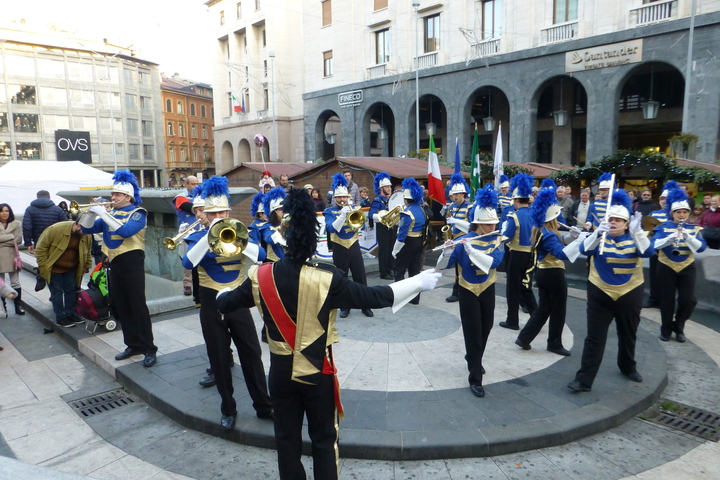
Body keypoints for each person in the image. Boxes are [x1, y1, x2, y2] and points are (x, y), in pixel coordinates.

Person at [216, 187, 441, 480]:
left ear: (283, 237)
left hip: (281, 374)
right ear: (313, 237)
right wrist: (417, 282)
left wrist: (221, 293)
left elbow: (227, 303)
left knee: (286, 441)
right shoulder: (328, 278)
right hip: (317, 372)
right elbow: (376, 296)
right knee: (323, 441)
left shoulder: (259, 277)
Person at [183, 176, 273, 430]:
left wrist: (237, 241)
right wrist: (209, 234)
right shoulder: (197, 237)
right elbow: (188, 263)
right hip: (211, 302)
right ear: (205, 215)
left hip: (238, 299)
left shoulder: (240, 232)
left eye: (223, 211)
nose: (220, 216)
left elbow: (263, 256)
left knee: (252, 353)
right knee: (219, 357)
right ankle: (228, 408)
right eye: (213, 213)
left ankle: (264, 406)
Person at [568, 190, 654, 393]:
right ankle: (584, 380)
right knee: (594, 338)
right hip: (600, 294)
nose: (614, 223)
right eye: (611, 219)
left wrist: (638, 232)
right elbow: (583, 251)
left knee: (628, 333)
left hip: (630, 293)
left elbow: (648, 252)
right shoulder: (599, 238)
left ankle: (627, 367)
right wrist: (597, 233)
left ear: (626, 223)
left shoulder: (635, 238)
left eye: (619, 220)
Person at [79, 170, 158, 368]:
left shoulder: (138, 213)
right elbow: (85, 229)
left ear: (128, 197)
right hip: (114, 262)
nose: (112, 197)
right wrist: (90, 212)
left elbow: (125, 231)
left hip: (132, 261)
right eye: (113, 194)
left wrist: (103, 213)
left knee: (138, 305)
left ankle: (149, 348)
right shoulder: (110, 214)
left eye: (117, 195)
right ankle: (132, 344)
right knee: (121, 305)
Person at [437, 185, 504, 397]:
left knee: (486, 328)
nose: (494, 225)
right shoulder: (461, 241)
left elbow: (494, 264)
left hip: (487, 289)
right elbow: (442, 267)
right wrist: (448, 251)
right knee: (473, 333)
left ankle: (473, 358)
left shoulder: (497, 240)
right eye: (489, 223)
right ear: (480, 224)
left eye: (494, 222)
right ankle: (475, 377)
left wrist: (472, 250)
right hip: (467, 290)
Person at [515, 188, 586, 356]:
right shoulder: (549, 234)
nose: (560, 219)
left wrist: (571, 237)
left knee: (544, 308)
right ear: (553, 219)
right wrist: (579, 243)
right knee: (558, 310)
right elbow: (561, 254)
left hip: (544, 273)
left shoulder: (543, 231)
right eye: (557, 216)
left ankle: (524, 338)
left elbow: (558, 246)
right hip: (553, 274)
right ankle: (554, 343)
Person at [652, 186, 706, 343]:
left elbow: (701, 248)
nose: (681, 215)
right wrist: (669, 239)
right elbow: (654, 245)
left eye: (684, 212)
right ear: (672, 213)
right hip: (666, 266)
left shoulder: (694, 228)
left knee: (688, 300)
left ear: (688, 213)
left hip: (687, 266)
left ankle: (679, 326)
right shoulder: (663, 227)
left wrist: (688, 237)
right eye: (678, 212)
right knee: (667, 300)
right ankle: (666, 329)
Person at [324, 173, 373, 318]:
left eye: (344, 197)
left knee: (360, 277)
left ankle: (366, 305)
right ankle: (345, 306)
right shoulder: (329, 211)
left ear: (348, 197)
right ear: (334, 198)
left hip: (354, 245)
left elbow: (360, 226)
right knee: (342, 278)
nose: (342, 199)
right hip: (339, 247)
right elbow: (331, 229)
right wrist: (341, 215)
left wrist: (355, 215)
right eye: (339, 197)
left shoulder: (353, 209)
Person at [35, 220, 93, 327]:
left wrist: (87, 265)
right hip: (54, 268)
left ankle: (71, 314)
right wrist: (44, 266)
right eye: (85, 231)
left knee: (71, 290)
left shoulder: (86, 234)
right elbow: (40, 249)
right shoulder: (55, 229)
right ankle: (60, 317)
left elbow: (87, 251)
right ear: (78, 225)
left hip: (72, 268)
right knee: (57, 292)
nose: (86, 234)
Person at [500, 173, 537, 330]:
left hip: (516, 255)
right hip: (531, 255)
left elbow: (506, 238)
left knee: (513, 289)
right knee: (525, 287)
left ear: (515, 200)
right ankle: (536, 317)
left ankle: (512, 320)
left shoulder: (513, 216)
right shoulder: (535, 215)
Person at [392, 178, 428, 305]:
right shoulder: (421, 209)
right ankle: (415, 299)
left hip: (408, 242)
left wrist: (395, 249)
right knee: (414, 270)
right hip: (419, 241)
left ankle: (399, 297)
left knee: (400, 269)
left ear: (406, 199)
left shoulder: (407, 212)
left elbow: (402, 234)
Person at [444, 173, 471, 303]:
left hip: (465, 239)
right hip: (455, 238)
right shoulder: (452, 206)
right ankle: (457, 291)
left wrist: (456, 221)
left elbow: (471, 227)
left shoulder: (470, 207)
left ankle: (462, 290)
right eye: (453, 195)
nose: (455, 197)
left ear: (463, 194)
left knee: (463, 266)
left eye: (457, 194)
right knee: (456, 267)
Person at [644, 184, 672, 308]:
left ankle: (665, 301)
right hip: (655, 249)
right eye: (662, 199)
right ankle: (654, 299)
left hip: (670, 250)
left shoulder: (674, 214)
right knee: (654, 275)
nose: (664, 201)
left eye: (666, 198)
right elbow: (649, 230)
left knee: (667, 277)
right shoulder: (654, 214)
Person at [174, 176, 201, 296]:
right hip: (186, 231)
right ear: (186, 184)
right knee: (187, 258)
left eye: (197, 184)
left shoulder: (201, 196)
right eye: (193, 184)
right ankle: (187, 284)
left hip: (200, 229)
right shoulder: (180, 197)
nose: (196, 186)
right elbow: (190, 208)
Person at [368, 172, 397, 281]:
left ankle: (391, 269)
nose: (389, 188)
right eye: (387, 186)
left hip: (392, 226)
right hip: (382, 227)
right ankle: (384, 272)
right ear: (381, 188)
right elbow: (371, 215)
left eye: (390, 186)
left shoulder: (392, 199)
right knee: (384, 250)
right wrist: (382, 216)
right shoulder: (377, 200)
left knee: (392, 249)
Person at [22, 190, 67, 254]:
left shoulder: (30, 209)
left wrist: (28, 243)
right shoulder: (57, 209)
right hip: (55, 242)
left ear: (37, 197)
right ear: (49, 197)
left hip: (38, 241)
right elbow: (65, 226)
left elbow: (27, 227)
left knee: (41, 261)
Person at [0, 203, 24, 317]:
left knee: (15, 282)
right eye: (2, 211)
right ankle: (2, 307)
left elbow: (18, 240)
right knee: (1, 283)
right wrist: (10, 237)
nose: (4, 213)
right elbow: (14, 239)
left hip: (12, 256)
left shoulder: (17, 223)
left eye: (6, 211)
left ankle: (18, 305)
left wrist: (2, 242)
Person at [260, 188, 287, 262]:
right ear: (274, 211)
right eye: (280, 209)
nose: (284, 211)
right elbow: (269, 239)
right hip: (274, 263)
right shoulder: (266, 226)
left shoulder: (291, 224)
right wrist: (283, 227)